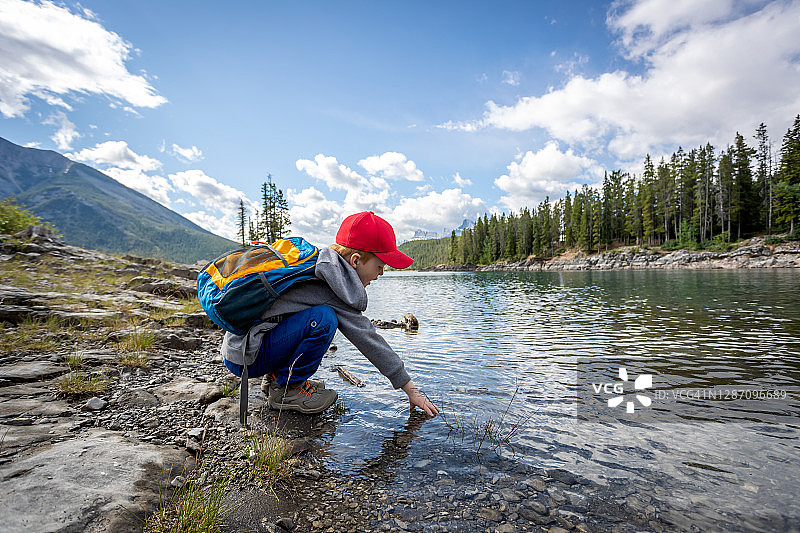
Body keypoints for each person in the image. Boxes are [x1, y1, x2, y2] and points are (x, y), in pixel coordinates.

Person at [220, 211, 440, 417]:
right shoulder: (332, 285)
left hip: (241, 348)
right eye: (380, 266)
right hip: (248, 357)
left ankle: (277, 378)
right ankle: (288, 390)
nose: (381, 273)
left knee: (312, 318)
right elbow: (368, 339)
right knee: (324, 319)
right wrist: (411, 390)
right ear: (355, 261)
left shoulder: (318, 266)